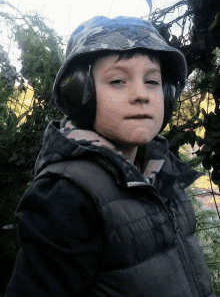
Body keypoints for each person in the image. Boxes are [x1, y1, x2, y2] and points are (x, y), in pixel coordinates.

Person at [5, 16, 214, 297]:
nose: (142, 95)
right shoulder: (65, 196)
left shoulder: (162, 173)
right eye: (117, 81)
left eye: (152, 81)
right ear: (81, 94)